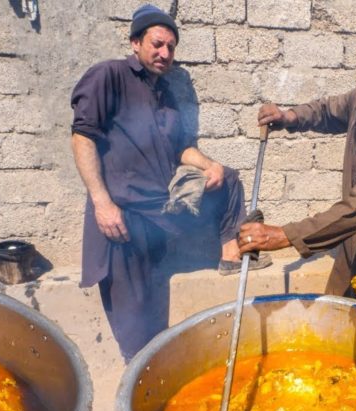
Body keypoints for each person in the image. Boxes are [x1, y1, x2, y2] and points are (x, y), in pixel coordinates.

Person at [70, 4, 270, 361]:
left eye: (171, 48)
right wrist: (102, 203)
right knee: (135, 322)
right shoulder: (108, 76)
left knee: (228, 181)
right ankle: (137, 385)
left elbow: (182, 150)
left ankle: (228, 252)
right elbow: (82, 138)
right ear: (135, 42)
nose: (165, 54)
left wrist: (210, 165)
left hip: (160, 210)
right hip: (123, 213)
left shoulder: (166, 94)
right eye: (157, 44)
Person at [238, 32, 356, 296]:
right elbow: (328, 110)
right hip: (355, 240)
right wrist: (290, 117)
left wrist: (285, 235)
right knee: (333, 320)